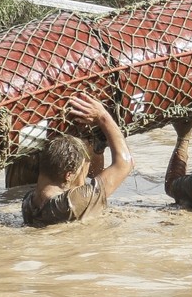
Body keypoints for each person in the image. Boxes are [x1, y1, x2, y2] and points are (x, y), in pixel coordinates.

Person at [22, 93, 134, 227]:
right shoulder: (73, 202)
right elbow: (125, 163)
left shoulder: (28, 202)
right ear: (68, 175)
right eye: (83, 168)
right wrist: (102, 116)